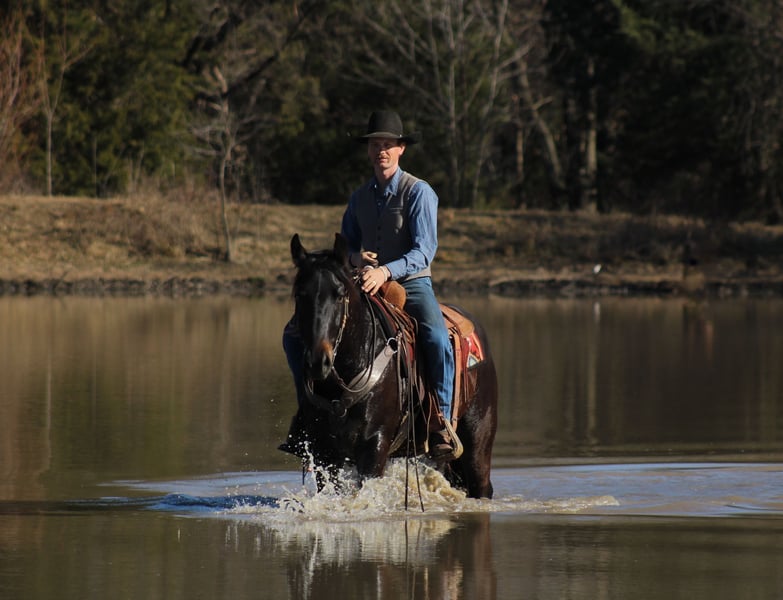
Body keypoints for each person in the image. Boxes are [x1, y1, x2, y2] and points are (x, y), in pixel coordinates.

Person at [282, 110, 458, 459]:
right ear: (368, 150)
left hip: (412, 283)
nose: (382, 151)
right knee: (292, 335)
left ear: (401, 149)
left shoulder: (419, 192)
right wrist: (356, 259)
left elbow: (425, 251)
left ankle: (440, 419)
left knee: (437, 337)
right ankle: (307, 412)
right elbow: (344, 248)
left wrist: (385, 271)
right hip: (363, 281)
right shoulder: (359, 197)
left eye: (388, 144)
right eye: (376, 145)